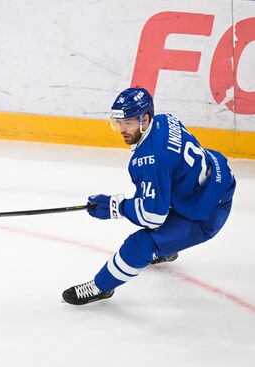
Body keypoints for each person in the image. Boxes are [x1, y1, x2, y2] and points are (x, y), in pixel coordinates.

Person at [62, 87, 236, 305]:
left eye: (128, 123)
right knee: (162, 200)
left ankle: (100, 287)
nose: (122, 129)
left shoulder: (150, 160)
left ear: (145, 119)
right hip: (217, 182)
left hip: (207, 212)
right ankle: (168, 249)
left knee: (141, 244)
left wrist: (116, 206)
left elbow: (153, 217)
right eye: (119, 122)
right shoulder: (164, 120)